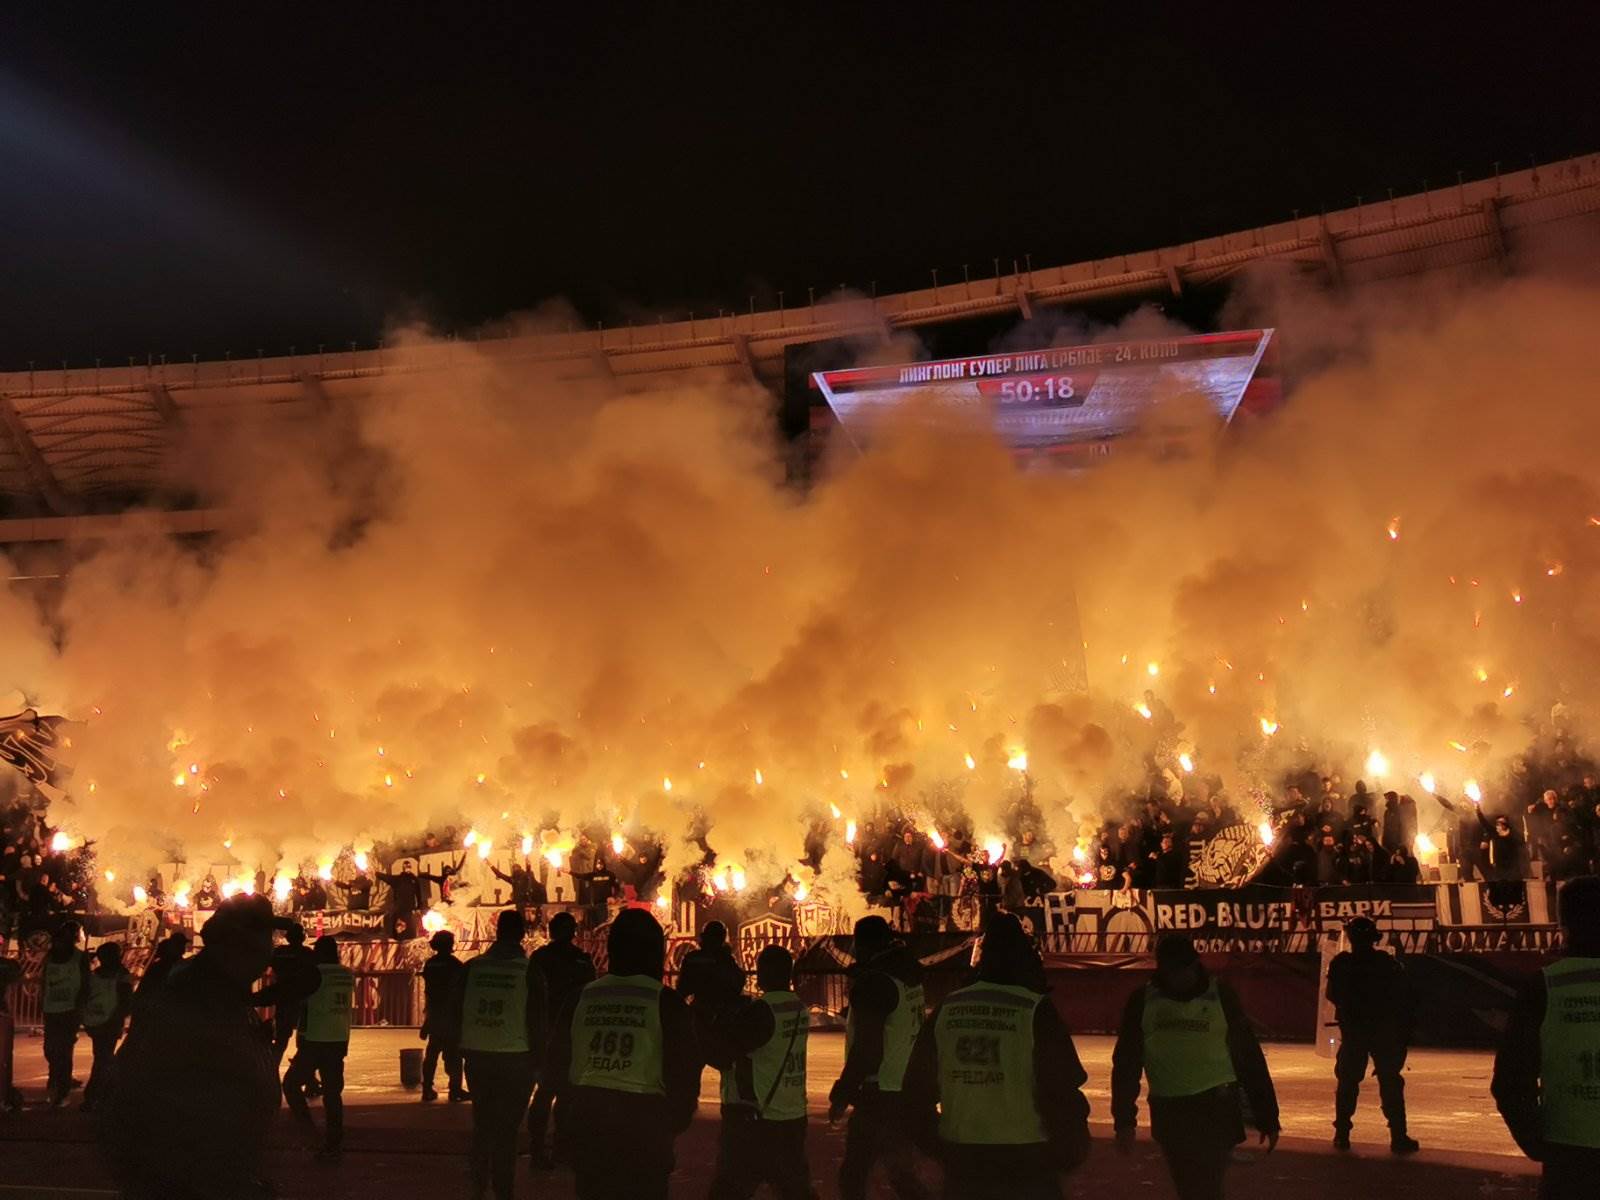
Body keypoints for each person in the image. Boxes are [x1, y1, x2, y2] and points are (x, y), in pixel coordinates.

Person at [98, 894, 285, 1200]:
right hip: (189, 1176)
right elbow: (147, 1090)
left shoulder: (225, 992)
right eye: (265, 937)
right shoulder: (197, 993)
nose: (271, 948)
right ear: (240, 945)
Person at [903, 913, 1090, 1200]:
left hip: (963, 1154)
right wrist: (1069, 1150)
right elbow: (1062, 1087)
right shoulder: (1034, 1009)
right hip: (1027, 1155)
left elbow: (916, 1088)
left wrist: (936, 1143)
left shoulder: (948, 1008)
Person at [547, 907, 699, 1200]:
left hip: (589, 1124)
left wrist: (568, 1115)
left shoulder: (582, 997)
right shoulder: (666, 1003)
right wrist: (670, 1125)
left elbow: (556, 1063)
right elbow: (685, 1073)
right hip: (645, 1130)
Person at [1112, 935, 1280, 1200]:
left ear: (1194, 964)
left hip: (1216, 1108)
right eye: (1172, 971)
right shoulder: (1143, 1000)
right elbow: (1126, 1063)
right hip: (1171, 1111)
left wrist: (1267, 1115)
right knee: (1189, 1185)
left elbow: (1248, 1056)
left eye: (1182, 969)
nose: (1178, 978)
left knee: (1205, 1185)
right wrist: (1124, 1120)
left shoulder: (1220, 995)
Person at [1494, 874, 1600, 1198]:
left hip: (1569, 1153)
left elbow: (1511, 1082)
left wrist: (1537, 1142)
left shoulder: (1544, 987)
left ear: (1563, 927)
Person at [701, 944, 813, 1200]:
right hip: (792, 1111)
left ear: (765, 973)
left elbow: (725, 1054)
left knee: (729, 1189)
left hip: (754, 1114)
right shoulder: (797, 1007)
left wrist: (704, 1022)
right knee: (795, 1188)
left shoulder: (762, 1011)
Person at [828, 914, 929, 1200]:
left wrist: (843, 1092)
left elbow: (868, 1050)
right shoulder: (907, 975)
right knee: (901, 1175)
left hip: (879, 1091)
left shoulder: (876, 985)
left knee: (854, 1176)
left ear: (863, 944)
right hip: (905, 1084)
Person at [452, 908, 541, 1200]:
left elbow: (456, 1010)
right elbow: (538, 1019)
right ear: (522, 934)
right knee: (507, 1129)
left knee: (483, 1120)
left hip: (478, 1056)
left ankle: (478, 1183)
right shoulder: (529, 971)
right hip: (515, 1057)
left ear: (497, 931)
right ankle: (504, 1188)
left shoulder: (473, 967)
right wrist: (539, 1060)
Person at [1326, 916, 1418, 1152]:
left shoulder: (1341, 964)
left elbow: (1332, 994)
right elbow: (1403, 996)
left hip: (1356, 1031)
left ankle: (1342, 1134)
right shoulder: (1385, 963)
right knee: (1389, 1081)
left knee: (1348, 1082)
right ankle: (1399, 1137)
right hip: (1381, 1030)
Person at [526, 910, 596, 1166]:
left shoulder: (540, 958)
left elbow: (530, 996)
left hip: (547, 1034)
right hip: (570, 1034)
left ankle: (539, 1147)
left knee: (547, 1092)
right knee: (565, 1093)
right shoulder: (580, 960)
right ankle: (560, 1146)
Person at [281, 935, 352, 1161]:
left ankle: (309, 1132)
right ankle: (333, 1142)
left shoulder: (314, 973)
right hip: (338, 1039)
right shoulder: (346, 974)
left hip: (314, 1039)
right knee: (333, 1094)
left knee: (291, 1084)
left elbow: (298, 998)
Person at [80, 941, 134, 1112]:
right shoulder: (121, 975)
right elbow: (125, 1001)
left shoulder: (94, 975)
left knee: (101, 1057)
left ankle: (96, 1095)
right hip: (109, 1022)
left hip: (96, 1021)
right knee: (104, 1059)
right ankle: (96, 1095)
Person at [40, 919, 89, 1106]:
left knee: (65, 1049)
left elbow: (85, 982)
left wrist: (81, 1006)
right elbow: (44, 980)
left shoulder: (80, 957)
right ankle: (57, 1077)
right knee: (51, 1049)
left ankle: (62, 1087)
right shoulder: (51, 957)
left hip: (70, 1010)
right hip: (51, 1009)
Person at [420, 929, 467, 1103]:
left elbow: (429, 992)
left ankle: (426, 1089)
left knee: (432, 1054)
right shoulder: (455, 965)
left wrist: (427, 1021)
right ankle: (455, 1090)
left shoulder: (430, 964)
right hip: (452, 1016)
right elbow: (459, 992)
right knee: (454, 1055)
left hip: (435, 1014)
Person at [268, 923, 319, 1061]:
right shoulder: (307, 953)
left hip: (284, 997)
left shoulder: (279, 953)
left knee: (281, 1040)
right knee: (304, 1040)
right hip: (303, 999)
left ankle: (272, 1067)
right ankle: (304, 1072)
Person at [677, 920, 745, 1018]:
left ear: (703, 936)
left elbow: (682, 989)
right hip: (722, 1012)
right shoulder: (726, 959)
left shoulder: (693, 958)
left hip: (701, 1010)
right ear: (722, 938)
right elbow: (738, 982)